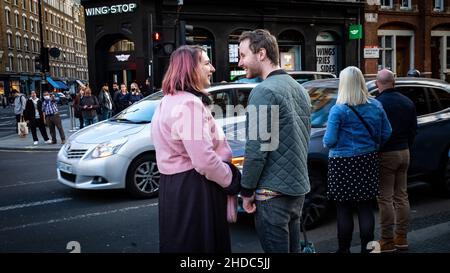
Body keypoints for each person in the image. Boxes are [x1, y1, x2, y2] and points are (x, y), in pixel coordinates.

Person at [151, 45, 241, 253]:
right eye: (207, 63)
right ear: (191, 68)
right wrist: (231, 179)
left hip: (174, 187)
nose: (212, 69)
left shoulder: (167, 101)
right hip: (196, 189)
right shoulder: (189, 104)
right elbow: (204, 160)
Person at [238, 29, 312, 253]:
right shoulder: (300, 89)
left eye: (242, 55)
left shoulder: (264, 91)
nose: (240, 62)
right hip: (296, 191)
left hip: (272, 196)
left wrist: (247, 191)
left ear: (261, 54)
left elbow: (257, 148)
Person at [323, 66, 392, 253]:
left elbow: (329, 140)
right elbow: (387, 132)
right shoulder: (376, 105)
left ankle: (343, 250)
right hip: (367, 160)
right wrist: (373, 145)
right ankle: (367, 249)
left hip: (342, 164)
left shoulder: (338, 110)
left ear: (344, 85)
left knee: (344, 210)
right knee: (365, 208)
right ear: (361, 81)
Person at [375, 69, 417, 252]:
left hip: (386, 154)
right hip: (404, 152)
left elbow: (376, 133)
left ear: (377, 84)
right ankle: (401, 237)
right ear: (394, 82)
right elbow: (413, 130)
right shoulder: (407, 102)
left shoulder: (377, 104)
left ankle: (387, 239)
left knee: (385, 198)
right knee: (402, 196)